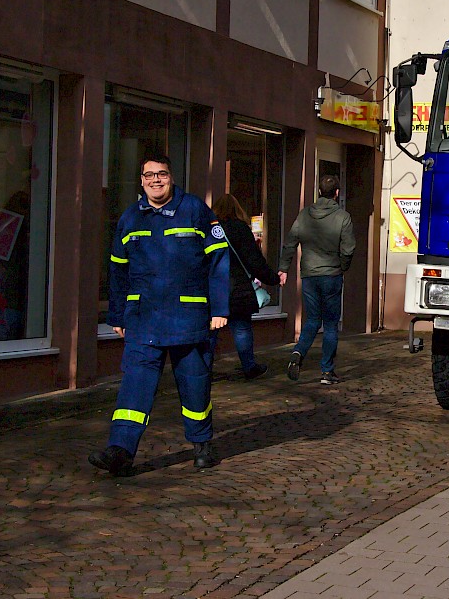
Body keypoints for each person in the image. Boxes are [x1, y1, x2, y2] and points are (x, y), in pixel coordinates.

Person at [88, 154, 230, 477]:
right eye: (149, 175)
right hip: (144, 320)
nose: (155, 180)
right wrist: (117, 315)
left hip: (188, 319)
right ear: (141, 181)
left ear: (171, 177)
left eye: (161, 174)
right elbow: (118, 271)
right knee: (134, 388)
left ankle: (202, 445)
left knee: (195, 387)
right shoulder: (130, 219)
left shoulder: (194, 210)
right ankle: (120, 452)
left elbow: (219, 261)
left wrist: (220, 309)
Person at [278, 175, 355, 385]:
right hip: (331, 276)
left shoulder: (304, 215)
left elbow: (290, 243)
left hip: (310, 276)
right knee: (330, 324)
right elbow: (348, 249)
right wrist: (342, 267)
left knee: (312, 320)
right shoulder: (343, 217)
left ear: (319, 192)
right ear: (337, 193)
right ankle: (327, 372)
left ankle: (298, 353)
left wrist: (283, 268)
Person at [212, 193, 280, 380]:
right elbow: (254, 261)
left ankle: (203, 368)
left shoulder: (209, 230)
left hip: (214, 287)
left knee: (211, 330)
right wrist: (273, 278)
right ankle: (249, 366)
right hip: (238, 287)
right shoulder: (241, 229)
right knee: (241, 328)